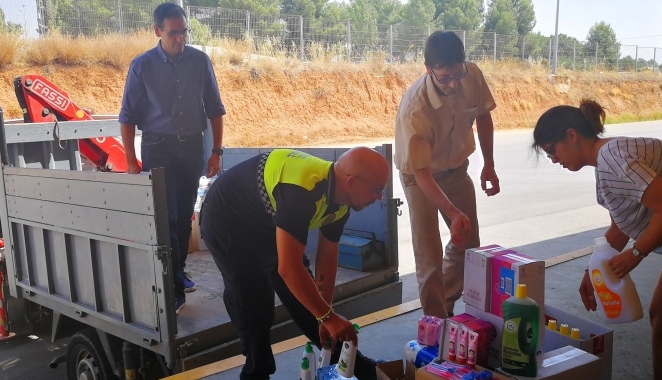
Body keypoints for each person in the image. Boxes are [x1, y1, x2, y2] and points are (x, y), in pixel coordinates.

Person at [532, 99, 662, 379]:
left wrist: (636, 254)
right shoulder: (606, 160)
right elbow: (622, 226)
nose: (555, 160)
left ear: (572, 136)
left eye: (552, 151)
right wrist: (593, 269)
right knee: (659, 316)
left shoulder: (613, 159)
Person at [200, 147, 389, 380]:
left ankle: (357, 366)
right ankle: (256, 372)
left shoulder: (340, 202)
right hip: (227, 219)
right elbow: (288, 269)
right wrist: (327, 317)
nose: (379, 198)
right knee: (255, 303)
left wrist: (324, 314)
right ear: (351, 182)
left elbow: (327, 259)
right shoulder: (302, 191)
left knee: (310, 300)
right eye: (377, 190)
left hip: (266, 219)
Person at [119, 3, 226, 314]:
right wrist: (130, 158)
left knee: (183, 216)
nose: (180, 38)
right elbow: (127, 116)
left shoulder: (200, 61)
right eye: (173, 32)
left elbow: (215, 110)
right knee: (167, 219)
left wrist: (216, 151)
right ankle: (174, 288)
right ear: (158, 31)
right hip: (158, 148)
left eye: (184, 32)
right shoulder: (142, 66)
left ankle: (178, 271)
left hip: (192, 147)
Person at [394, 31, 500, 318]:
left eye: (458, 74)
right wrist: (452, 212)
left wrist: (488, 163)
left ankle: (447, 308)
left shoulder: (472, 75)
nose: (454, 84)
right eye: (445, 78)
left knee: (468, 243)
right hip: (420, 179)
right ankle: (435, 324)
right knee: (429, 259)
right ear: (429, 71)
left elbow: (483, 115)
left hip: (456, 169)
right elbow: (423, 173)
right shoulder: (415, 110)